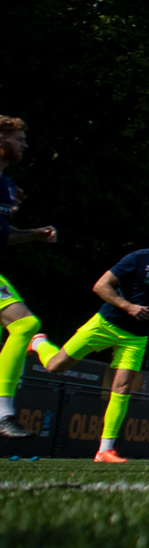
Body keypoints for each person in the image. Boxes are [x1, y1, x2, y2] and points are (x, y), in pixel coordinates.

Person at [31, 220, 149, 462]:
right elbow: (101, 286)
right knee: (55, 367)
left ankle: (104, 450)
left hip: (136, 337)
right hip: (105, 324)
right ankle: (39, 343)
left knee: (122, 388)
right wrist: (129, 306)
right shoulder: (136, 259)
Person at [0, 116, 58, 438]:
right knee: (25, 324)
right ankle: (3, 413)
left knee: (21, 327)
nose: (24, 144)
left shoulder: (8, 187)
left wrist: (34, 234)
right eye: (19, 138)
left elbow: (3, 235)